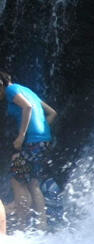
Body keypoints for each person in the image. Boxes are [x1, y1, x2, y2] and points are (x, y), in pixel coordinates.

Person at [0, 70, 57, 231]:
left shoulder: (11, 90)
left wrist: (22, 135)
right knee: (33, 183)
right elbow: (52, 113)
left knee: (18, 181)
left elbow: (27, 107)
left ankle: (22, 227)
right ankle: (42, 225)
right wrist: (41, 133)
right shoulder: (27, 90)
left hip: (30, 143)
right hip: (43, 143)